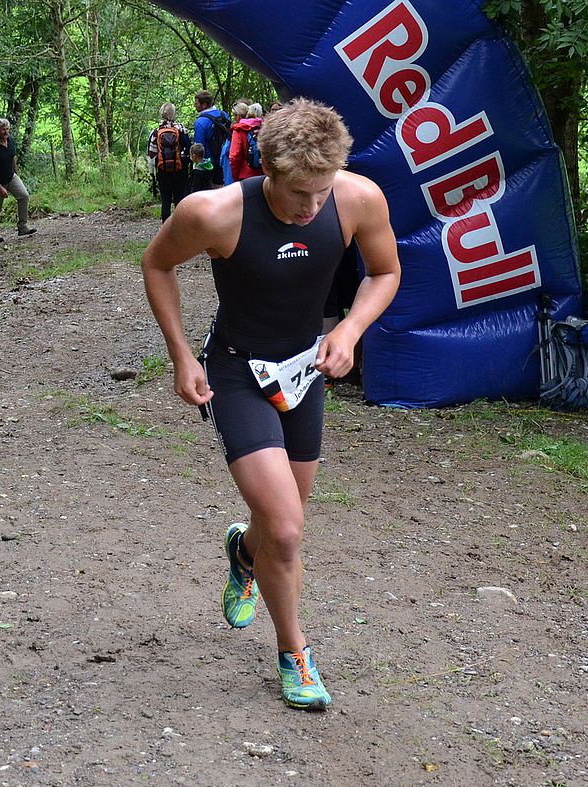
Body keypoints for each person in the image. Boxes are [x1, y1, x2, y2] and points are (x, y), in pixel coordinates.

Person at [141, 99, 401, 711]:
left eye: (322, 191)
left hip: (303, 372)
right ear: (266, 170)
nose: (311, 207)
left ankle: (241, 550)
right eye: (299, 193)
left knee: (276, 528)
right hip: (235, 372)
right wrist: (182, 356)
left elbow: (384, 273)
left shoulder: (359, 199)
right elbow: (157, 265)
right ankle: (295, 653)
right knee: (286, 529)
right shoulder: (212, 212)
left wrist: (349, 331)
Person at [0, 118, 37, 243]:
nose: (6, 132)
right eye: (3, 129)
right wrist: (0, 188)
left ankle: (22, 227)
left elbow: (13, 158)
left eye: (7, 129)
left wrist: (16, 175)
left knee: (24, 196)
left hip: (11, 176)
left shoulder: (10, 141)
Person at [147, 103, 191, 223]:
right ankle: (180, 227)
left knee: (165, 200)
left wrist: (152, 173)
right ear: (174, 114)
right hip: (179, 168)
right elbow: (189, 147)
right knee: (179, 199)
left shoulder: (156, 132)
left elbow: (151, 154)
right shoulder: (181, 129)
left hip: (162, 170)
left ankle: (165, 229)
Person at [193, 90, 230, 186]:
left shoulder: (200, 122)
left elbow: (199, 147)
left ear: (204, 104)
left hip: (209, 165)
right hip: (226, 161)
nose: (194, 105)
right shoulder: (224, 115)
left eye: (196, 103)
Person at [229, 102, 265, 182]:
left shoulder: (239, 129)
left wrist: (235, 177)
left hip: (246, 175)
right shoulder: (265, 126)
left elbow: (234, 157)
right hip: (265, 174)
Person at [220, 101, 249, 186]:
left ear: (238, 116)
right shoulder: (255, 127)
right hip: (252, 172)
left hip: (238, 172)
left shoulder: (237, 130)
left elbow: (233, 156)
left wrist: (234, 175)